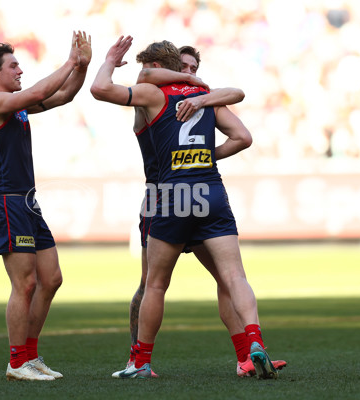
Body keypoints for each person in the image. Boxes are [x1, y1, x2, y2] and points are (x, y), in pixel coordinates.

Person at [91, 36, 280, 379]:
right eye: (187, 67)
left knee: (155, 285)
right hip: (210, 190)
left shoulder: (152, 95)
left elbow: (102, 88)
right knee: (233, 277)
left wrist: (108, 60)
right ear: (180, 68)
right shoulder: (203, 99)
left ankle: (140, 361)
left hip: (168, 194)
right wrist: (199, 94)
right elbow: (243, 132)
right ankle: (255, 346)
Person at [0, 31, 91, 381]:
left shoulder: (16, 106)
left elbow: (65, 95)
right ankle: (16, 362)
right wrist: (70, 60)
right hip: (8, 204)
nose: (19, 70)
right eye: (13, 65)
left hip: (27, 203)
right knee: (24, 284)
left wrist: (82, 66)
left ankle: (30, 355)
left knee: (51, 279)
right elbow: (41, 92)